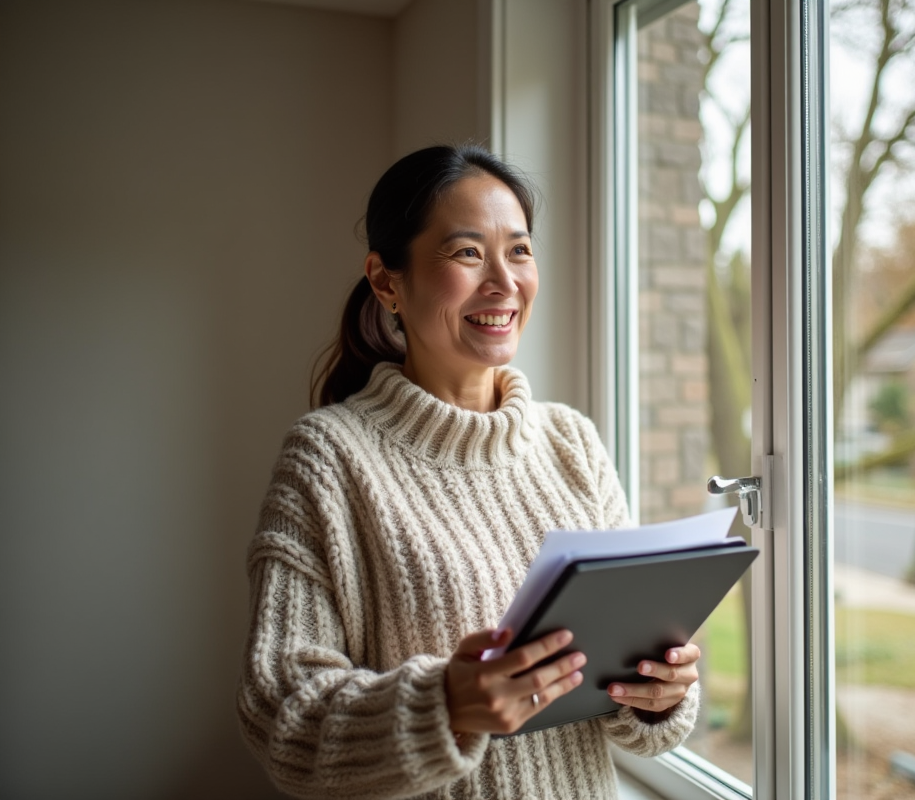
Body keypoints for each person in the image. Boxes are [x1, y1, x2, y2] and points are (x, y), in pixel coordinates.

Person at [237, 144, 701, 799]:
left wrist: (657, 693)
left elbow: (629, 706)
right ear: (385, 280)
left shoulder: (572, 442)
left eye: (518, 250)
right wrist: (443, 705)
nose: (504, 282)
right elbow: (280, 718)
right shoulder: (327, 458)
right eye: (466, 253)